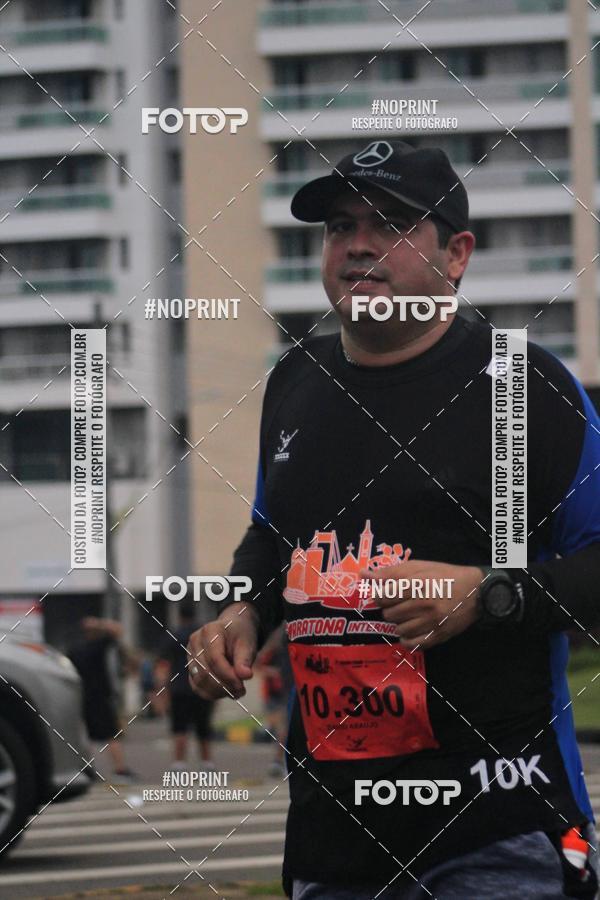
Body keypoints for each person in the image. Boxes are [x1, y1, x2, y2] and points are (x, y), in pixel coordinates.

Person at [187, 141, 600, 898]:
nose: (359, 245)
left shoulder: (525, 384)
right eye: (341, 226)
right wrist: (241, 613)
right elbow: (273, 539)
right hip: (334, 835)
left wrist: (487, 594)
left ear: (457, 254)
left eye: (393, 224)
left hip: (497, 824)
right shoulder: (295, 381)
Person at [68, 616, 137, 783]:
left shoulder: (74, 649)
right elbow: (118, 630)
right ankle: (120, 770)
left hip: (81, 697)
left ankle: (86, 769)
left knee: (86, 736)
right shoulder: (99, 645)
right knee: (112, 734)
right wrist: (101, 623)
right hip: (101, 698)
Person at [160, 602, 215, 769]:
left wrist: (162, 690)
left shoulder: (174, 635)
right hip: (201, 687)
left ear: (180, 617)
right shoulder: (203, 635)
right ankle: (206, 763)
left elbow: (164, 665)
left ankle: (179, 763)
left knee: (180, 728)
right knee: (203, 728)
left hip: (179, 689)